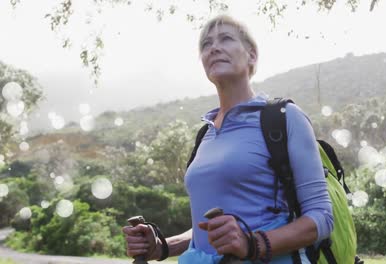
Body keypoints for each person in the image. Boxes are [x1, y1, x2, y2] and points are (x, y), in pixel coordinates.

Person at [122, 14, 333, 264]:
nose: (214, 47)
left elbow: (321, 218)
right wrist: (162, 247)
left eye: (226, 38)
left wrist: (251, 244)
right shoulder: (205, 135)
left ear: (251, 55)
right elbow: (209, 232)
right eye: (206, 44)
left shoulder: (284, 119)